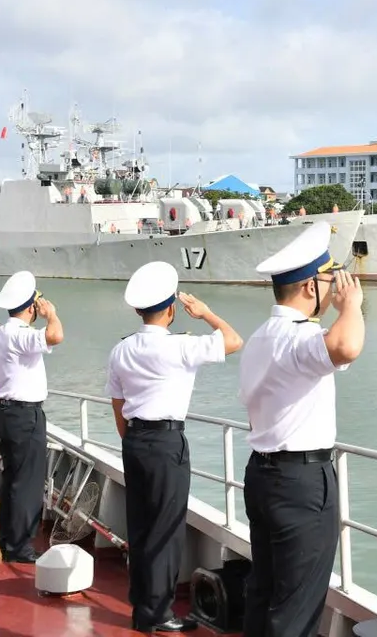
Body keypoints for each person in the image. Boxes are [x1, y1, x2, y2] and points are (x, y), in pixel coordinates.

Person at [240, 222, 365, 637]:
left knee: (265, 591)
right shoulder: (299, 338)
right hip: (301, 482)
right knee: (296, 606)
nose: (334, 289)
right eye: (330, 279)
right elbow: (346, 346)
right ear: (311, 287)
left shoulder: (260, 337)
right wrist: (352, 305)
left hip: (262, 474)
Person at [106, 261, 242, 634]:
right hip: (166, 443)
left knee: (141, 527)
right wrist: (206, 313)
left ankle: (142, 607)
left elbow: (118, 407)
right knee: (165, 532)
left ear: (137, 310)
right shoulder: (181, 346)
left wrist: (133, 441)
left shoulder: (121, 351)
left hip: (134, 441)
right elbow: (234, 340)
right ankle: (157, 614)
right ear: (170, 309)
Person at [0, 271, 64, 563]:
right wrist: (52, 314)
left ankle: (9, 540)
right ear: (31, 307)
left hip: (5, 411)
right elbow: (56, 335)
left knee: (12, 479)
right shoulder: (19, 334)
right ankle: (20, 547)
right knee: (28, 482)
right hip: (24, 414)